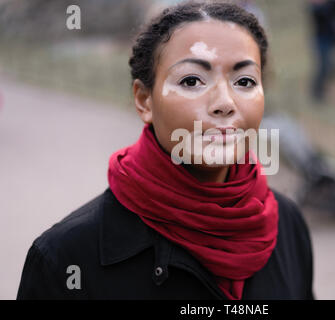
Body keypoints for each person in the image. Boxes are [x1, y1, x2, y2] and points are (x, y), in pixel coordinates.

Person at [17, 0, 314, 300]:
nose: (225, 103)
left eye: (245, 81)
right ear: (144, 100)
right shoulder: (66, 257)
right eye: (192, 80)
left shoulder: (286, 225)